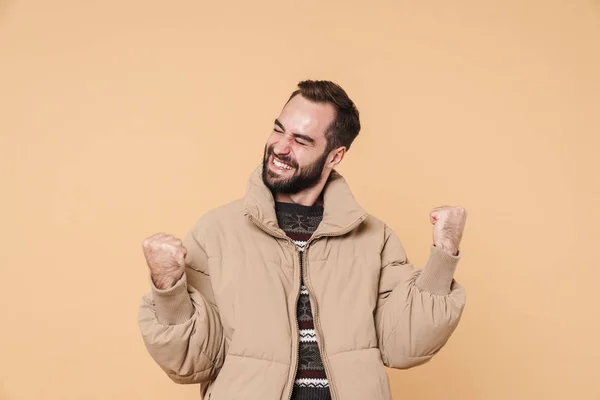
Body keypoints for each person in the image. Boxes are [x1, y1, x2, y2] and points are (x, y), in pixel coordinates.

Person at [138, 80, 467, 400]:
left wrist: (443, 255)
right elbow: (192, 362)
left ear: (335, 156)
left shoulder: (375, 237)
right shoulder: (216, 231)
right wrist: (169, 288)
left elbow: (403, 346)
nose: (280, 147)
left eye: (301, 140)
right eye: (279, 129)